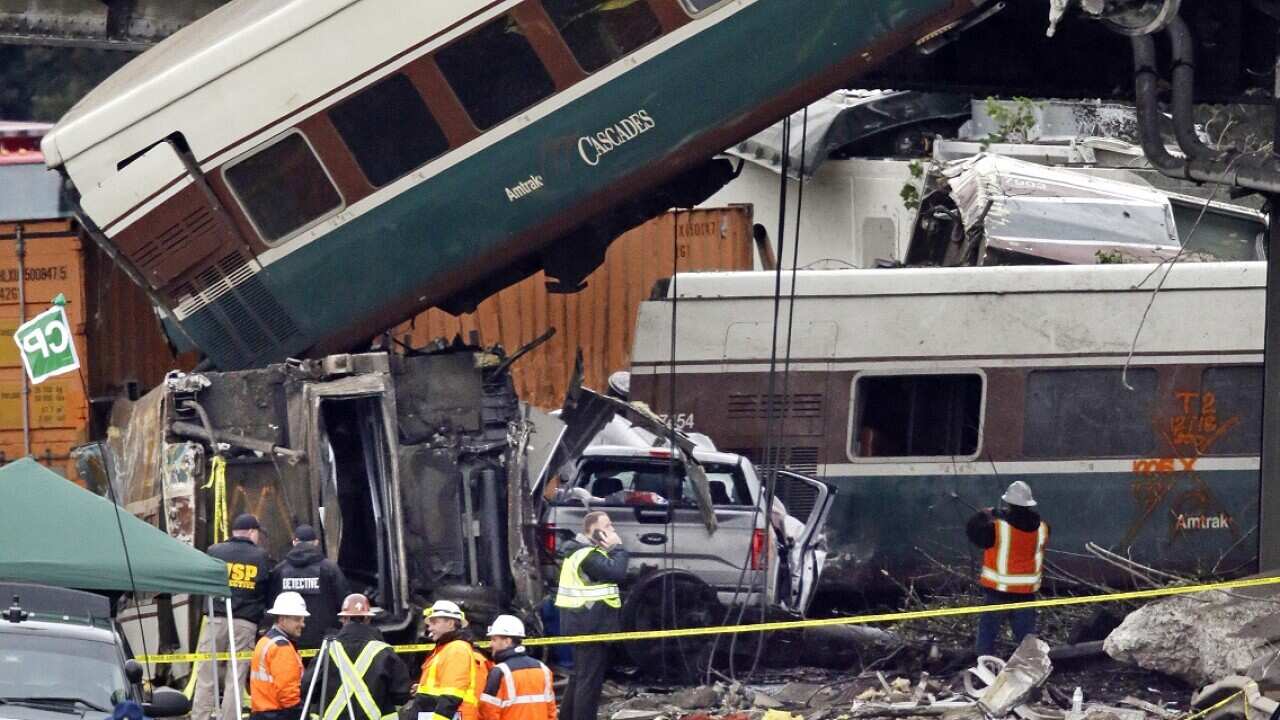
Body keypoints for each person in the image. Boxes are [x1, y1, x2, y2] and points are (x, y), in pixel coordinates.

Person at [193, 513, 275, 720]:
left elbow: (202, 581)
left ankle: (200, 716)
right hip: (245, 623)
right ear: (251, 532)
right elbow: (267, 590)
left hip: (214, 618)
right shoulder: (261, 556)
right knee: (236, 676)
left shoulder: (214, 551)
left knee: (206, 674)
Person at [555, 511, 629, 720]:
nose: (613, 530)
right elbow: (616, 573)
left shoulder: (583, 552)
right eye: (609, 526)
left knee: (580, 678)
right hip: (589, 625)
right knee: (589, 683)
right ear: (595, 531)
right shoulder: (587, 554)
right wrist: (618, 548)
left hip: (583, 622)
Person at [966, 480, 1050, 656]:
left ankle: (984, 668)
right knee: (1026, 641)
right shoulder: (1043, 528)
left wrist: (984, 515)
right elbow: (1024, 522)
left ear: (1009, 503)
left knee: (987, 636)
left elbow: (973, 532)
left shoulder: (997, 529)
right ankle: (1028, 671)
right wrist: (1003, 515)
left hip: (998, 592)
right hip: (1026, 593)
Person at [302, 593, 411, 720]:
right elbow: (401, 695)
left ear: (343, 619)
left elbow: (308, 690)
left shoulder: (327, 650)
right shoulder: (384, 652)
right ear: (368, 619)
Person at [272, 524, 350, 652]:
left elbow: (271, 603)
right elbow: (344, 601)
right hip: (324, 641)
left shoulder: (280, 570)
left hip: (289, 641)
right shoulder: (330, 569)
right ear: (316, 542)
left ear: (294, 542)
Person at [410, 600, 490, 720]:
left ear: (450, 623)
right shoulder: (445, 649)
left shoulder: (456, 649)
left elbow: (452, 694)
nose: (429, 628)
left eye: (434, 623)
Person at [478, 615, 555, 720]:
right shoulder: (543, 669)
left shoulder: (499, 671)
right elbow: (551, 711)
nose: (491, 644)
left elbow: (488, 712)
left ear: (507, 641)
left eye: (494, 639)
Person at [249, 591, 309, 720]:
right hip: (277, 714)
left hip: (261, 713)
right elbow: (288, 694)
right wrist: (301, 715)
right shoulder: (281, 647)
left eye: (303, 619)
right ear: (282, 619)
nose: (302, 624)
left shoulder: (265, 641)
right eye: (297, 619)